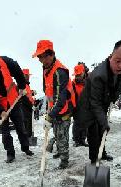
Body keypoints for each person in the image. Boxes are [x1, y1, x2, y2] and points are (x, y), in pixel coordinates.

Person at [76, 40, 121, 163]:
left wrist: (114, 95)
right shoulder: (98, 75)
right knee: (94, 133)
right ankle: (94, 159)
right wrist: (104, 121)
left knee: (102, 131)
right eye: (118, 61)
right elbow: (94, 103)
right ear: (111, 56)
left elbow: (118, 82)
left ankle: (102, 153)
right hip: (88, 107)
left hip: (102, 102)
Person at [32, 40, 76, 168]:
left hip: (64, 110)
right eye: (39, 57)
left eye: (44, 57)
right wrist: (49, 110)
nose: (41, 60)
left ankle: (64, 160)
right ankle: (60, 151)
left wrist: (50, 116)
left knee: (62, 136)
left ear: (51, 55)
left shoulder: (59, 72)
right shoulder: (46, 68)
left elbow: (60, 99)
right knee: (57, 133)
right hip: (54, 108)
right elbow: (48, 91)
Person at [72, 63, 88, 147]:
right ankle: (76, 140)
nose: (77, 77)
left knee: (85, 124)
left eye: (79, 75)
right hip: (76, 107)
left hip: (86, 107)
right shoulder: (72, 84)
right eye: (76, 75)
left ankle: (82, 140)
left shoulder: (87, 83)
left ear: (83, 73)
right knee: (77, 123)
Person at [21, 69, 35, 140]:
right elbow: (24, 98)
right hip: (24, 107)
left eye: (28, 75)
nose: (27, 77)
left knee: (29, 122)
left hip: (28, 107)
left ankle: (28, 137)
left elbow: (28, 94)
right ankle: (26, 138)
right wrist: (31, 105)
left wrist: (32, 92)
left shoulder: (27, 85)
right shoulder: (22, 85)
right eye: (26, 75)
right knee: (26, 123)